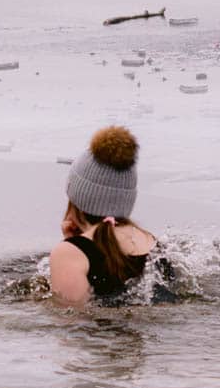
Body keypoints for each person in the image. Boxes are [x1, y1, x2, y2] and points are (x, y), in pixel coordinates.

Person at [49, 125, 158, 306]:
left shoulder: (69, 254)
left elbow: (70, 323)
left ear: (77, 194)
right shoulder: (150, 241)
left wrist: (73, 247)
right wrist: (77, 242)